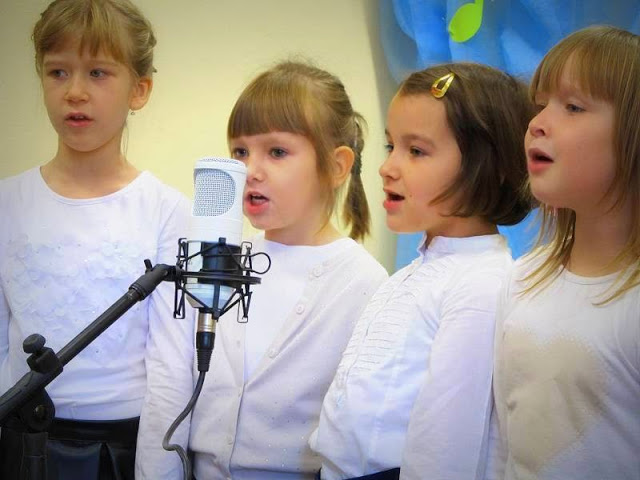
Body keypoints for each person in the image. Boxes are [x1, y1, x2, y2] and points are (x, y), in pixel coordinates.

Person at [164, 60, 388, 480]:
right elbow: (172, 387)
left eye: (277, 152)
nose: (250, 171)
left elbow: (358, 431)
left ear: (337, 166)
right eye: (240, 152)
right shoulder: (216, 262)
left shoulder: (365, 284)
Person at [310, 62, 533, 480]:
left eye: (416, 151)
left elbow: (444, 449)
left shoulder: (482, 285)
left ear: (488, 166)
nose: (387, 167)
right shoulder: (411, 275)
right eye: (390, 145)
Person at [0, 1, 192, 479]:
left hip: (121, 452)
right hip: (18, 442)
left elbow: (171, 369)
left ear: (139, 90)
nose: (75, 92)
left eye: (98, 73)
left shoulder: (167, 211)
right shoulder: (7, 202)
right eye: (58, 72)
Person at [490, 25, 640, 480]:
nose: (536, 123)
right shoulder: (524, 275)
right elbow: (505, 437)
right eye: (541, 104)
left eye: (573, 107)